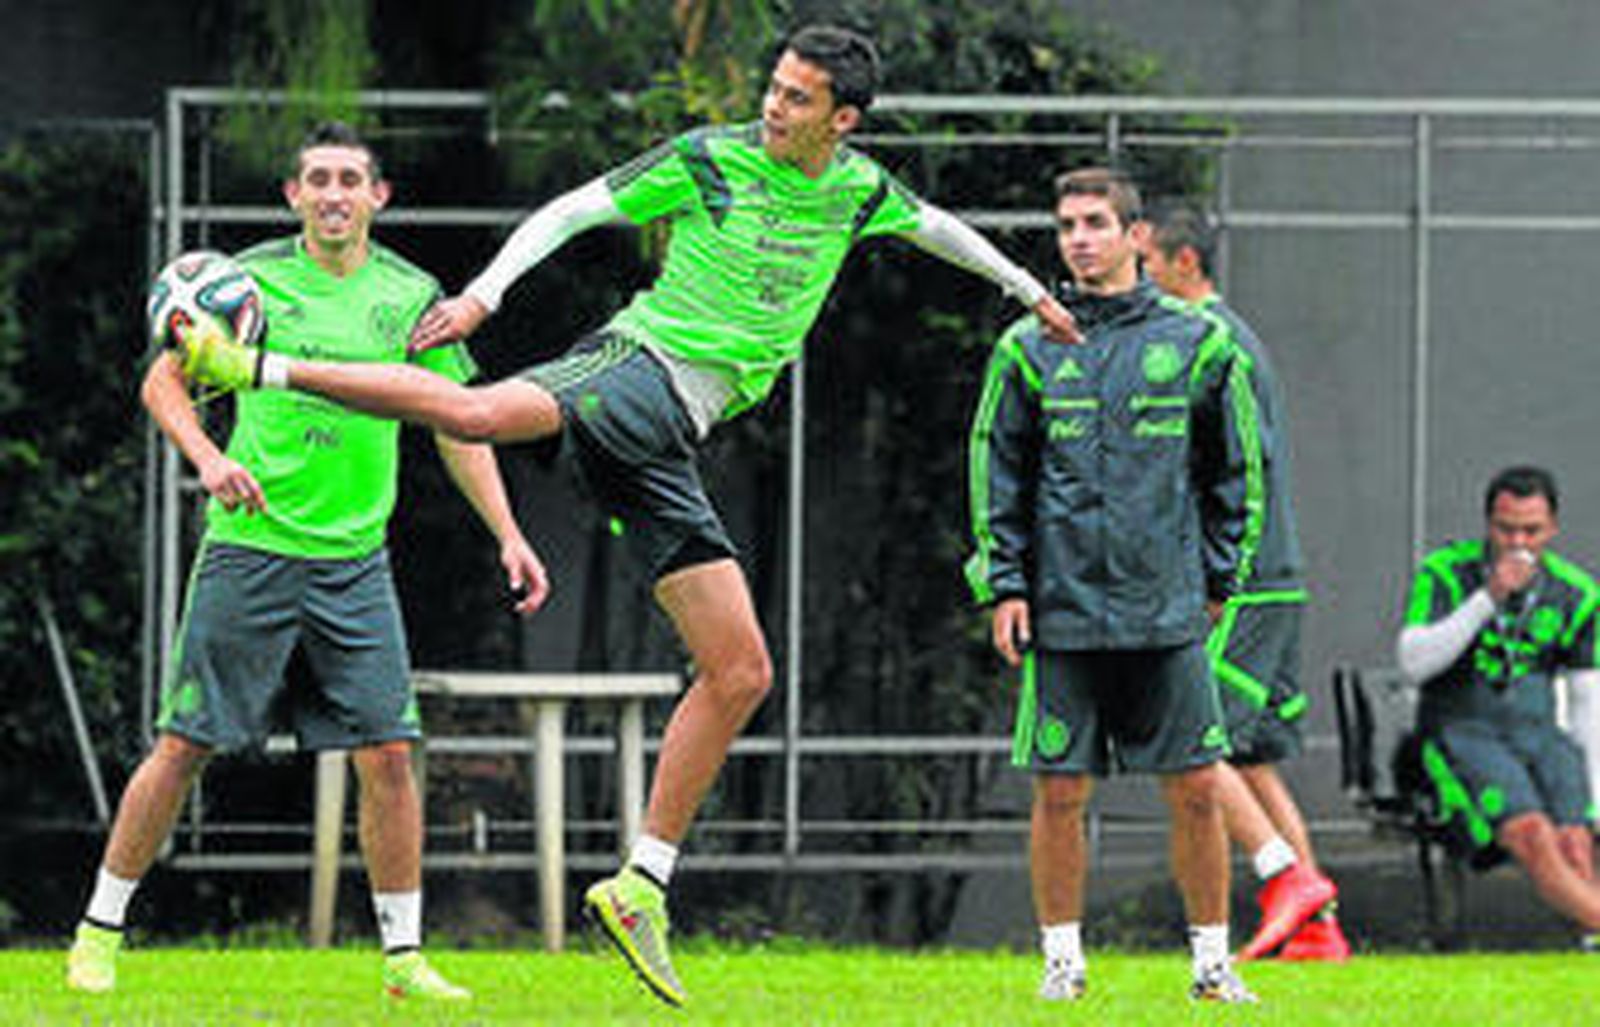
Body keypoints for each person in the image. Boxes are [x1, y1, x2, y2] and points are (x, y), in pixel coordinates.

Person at [175, 25, 1076, 1007]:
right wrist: (483, 294)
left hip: (666, 438)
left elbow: (936, 226)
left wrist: (1029, 289)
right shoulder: (710, 158)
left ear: (842, 120)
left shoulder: (856, 189)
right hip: (636, 369)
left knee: (739, 670)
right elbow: (575, 208)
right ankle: (251, 365)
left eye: (796, 98)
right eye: (771, 89)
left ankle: (639, 881)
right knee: (475, 410)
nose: (772, 107)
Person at [65, 122, 547, 1000]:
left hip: (355, 563)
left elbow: (456, 416)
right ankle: (99, 929)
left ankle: (404, 959)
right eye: (316, 179)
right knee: (184, 744)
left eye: (349, 179)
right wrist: (209, 460)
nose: (332, 193)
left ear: (378, 197)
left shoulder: (410, 296)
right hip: (249, 550)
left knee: (391, 754)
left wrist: (508, 531)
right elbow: (161, 381)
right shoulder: (245, 282)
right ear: (292, 196)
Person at [967, 168, 1258, 1003]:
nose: (1078, 238)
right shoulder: (1026, 346)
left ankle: (1211, 964)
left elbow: (1237, 474)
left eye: (1096, 222)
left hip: (1168, 609)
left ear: (1137, 237)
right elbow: (997, 470)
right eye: (1066, 224)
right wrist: (1005, 584)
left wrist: (1218, 580)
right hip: (1060, 611)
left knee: (1199, 787)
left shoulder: (1201, 343)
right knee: (1059, 790)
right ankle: (1063, 963)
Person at [1140, 204, 1348, 962]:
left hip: (1244, 580)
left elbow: (1229, 463)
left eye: (1146, 260)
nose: (1137, 277)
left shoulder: (1211, 341)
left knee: (1181, 736)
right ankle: (1316, 928)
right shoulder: (1215, 337)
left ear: (1185, 263)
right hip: (1270, 576)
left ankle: (1285, 879)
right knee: (1249, 757)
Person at [1397, 466, 1600, 941]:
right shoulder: (1447, 572)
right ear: (1488, 523)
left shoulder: (1577, 592)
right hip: (1462, 731)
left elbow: (1590, 700)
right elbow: (1413, 662)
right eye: (1505, 528)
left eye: (1531, 530)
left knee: (1574, 838)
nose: (1518, 542)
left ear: (1551, 529)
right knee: (1532, 835)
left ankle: (1590, 937)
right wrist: (1489, 597)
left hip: (1539, 733)